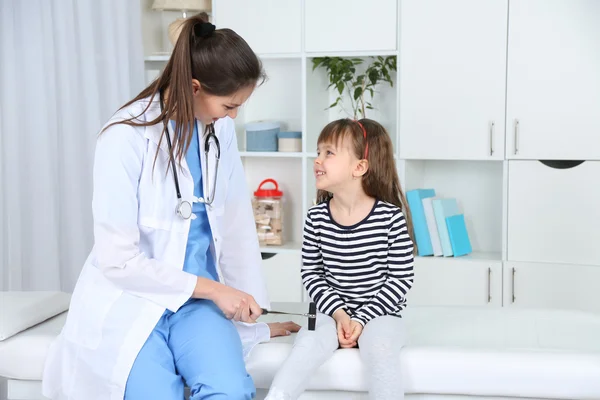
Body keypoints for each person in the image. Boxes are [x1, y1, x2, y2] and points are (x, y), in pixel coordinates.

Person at [42, 14, 299, 400]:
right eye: (229, 105)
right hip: (132, 300)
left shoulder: (219, 131)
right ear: (195, 87)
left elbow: (234, 222)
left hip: (198, 307)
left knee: (229, 391)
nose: (233, 117)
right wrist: (215, 290)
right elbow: (117, 260)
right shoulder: (124, 137)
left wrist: (250, 313)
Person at [265, 118, 416, 400]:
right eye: (318, 151)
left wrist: (360, 319)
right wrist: (339, 314)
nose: (317, 160)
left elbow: (400, 279)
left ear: (359, 167)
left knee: (381, 348)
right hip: (327, 312)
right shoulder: (316, 217)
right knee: (306, 343)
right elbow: (311, 274)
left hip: (381, 313)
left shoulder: (390, 217)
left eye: (329, 153)